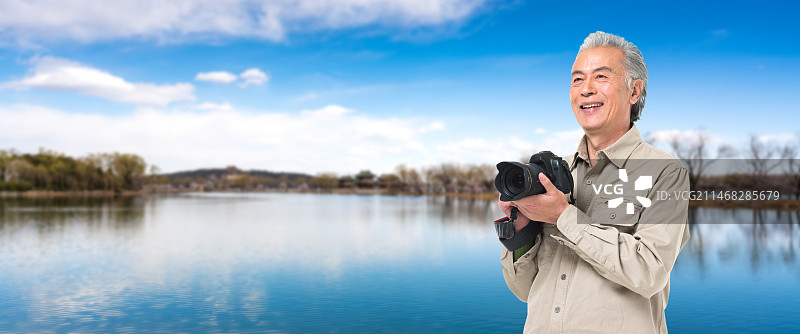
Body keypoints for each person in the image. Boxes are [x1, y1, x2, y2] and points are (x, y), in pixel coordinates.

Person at [498, 31, 690, 333]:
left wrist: (563, 216)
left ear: (634, 91)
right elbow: (525, 290)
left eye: (601, 77)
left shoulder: (665, 172)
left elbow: (648, 273)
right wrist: (520, 235)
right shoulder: (551, 178)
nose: (585, 89)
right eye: (577, 79)